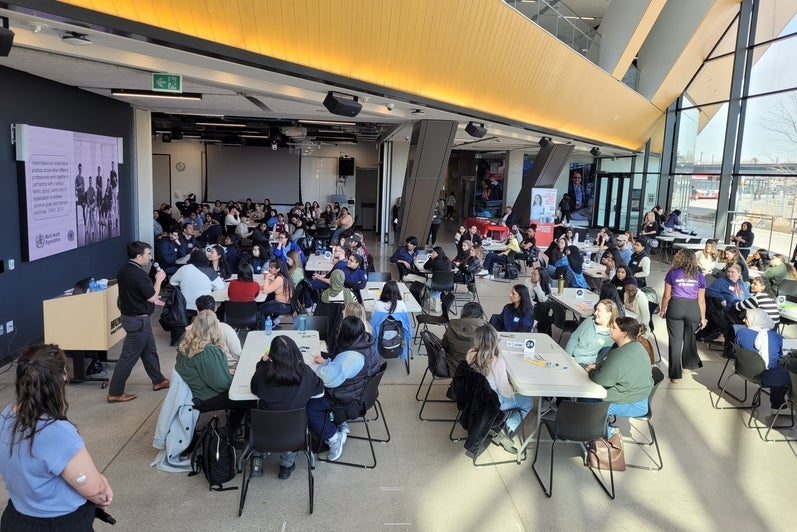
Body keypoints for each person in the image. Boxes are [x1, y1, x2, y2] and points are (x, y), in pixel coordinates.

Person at [0, 344, 114, 530]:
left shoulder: (6, 416)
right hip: (58, 524)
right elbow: (94, 489)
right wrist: (103, 489)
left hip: (15, 519)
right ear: (62, 378)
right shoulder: (58, 432)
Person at [250, 335, 326, 478]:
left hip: (264, 431)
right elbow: (319, 388)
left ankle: (257, 460)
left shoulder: (263, 374)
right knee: (292, 425)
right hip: (294, 432)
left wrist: (262, 363)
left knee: (260, 416)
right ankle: (286, 466)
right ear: (295, 352)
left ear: (272, 355)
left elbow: (254, 389)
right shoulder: (305, 373)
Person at [175, 310, 256, 434]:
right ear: (215, 327)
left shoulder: (186, 345)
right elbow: (222, 384)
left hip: (189, 394)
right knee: (249, 398)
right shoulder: (209, 350)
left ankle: (234, 426)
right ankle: (234, 431)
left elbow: (202, 369)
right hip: (204, 397)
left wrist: (225, 371)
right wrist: (235, 378)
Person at [312, 316, 381, 461]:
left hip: (348, 400)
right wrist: (328, 361)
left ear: (344, 333)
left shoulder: (351, 356)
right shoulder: (366, 343)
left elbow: (327, 379)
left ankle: (333, 438)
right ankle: (340, 422)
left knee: (310, 405)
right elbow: (345, 369)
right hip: (360, 392)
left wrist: (313, 370)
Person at [109, 241, 170, 403]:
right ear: (139, 256)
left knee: (149, 351)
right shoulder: (138, 274)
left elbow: (135, 294)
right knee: (128, 358)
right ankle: (115, 392)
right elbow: (151, 296)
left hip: (137, 318)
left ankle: (158, 380)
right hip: (138, 321)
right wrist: (158, 280)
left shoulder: (124, 271)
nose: (150, 257)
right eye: (148, 254)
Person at [585, 317, 654, 437]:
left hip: (633, 403)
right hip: (640, 398)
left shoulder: (621, 354)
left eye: (614, 328)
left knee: (587, 403)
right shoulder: (637, 346)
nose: (611, 329)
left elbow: (601, 379)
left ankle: (609, 432)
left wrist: (592, 372)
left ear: (624, 333)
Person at [466, 324, 533, 445]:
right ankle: (506, 428)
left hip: (475, 398)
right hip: (494, 402)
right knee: (528, 401)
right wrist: (513, 388)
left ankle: (500, 424)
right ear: (494, 341)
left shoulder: (470, 354)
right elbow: (505, 392)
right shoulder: (497, 362)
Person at [660, 249, 707, 383]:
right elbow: (701, 300)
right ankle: (687, 366)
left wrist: (663, 310)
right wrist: (703, 318)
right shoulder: (700, 276)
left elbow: (666, 295)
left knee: (675, 342)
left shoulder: (672, 274)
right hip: (693, 308)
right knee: (689, 338)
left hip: (675, 307)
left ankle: (675, 375)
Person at [734, 309, 790, 413]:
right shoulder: (777, 338)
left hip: (744, 370)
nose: (743, 320)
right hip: (767, 376)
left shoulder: (741, 333)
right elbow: (790, 352)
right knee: (787, 367)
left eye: (746, 318)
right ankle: (778, 405)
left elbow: (735, 351)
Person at [169, 249, 226, 345]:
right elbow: (221, 286)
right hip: (203, 306)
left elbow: (172, 282)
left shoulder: (183, 269)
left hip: (184, 306)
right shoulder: (209, 271)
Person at [565, 299, 619, 366]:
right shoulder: (589, 321)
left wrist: (576, 360)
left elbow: (600, 358)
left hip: (585, 364)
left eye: (599, 310)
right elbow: (574, 338)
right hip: (569, 357)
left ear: (608, 314)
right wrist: (568, 356)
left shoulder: (611, 335)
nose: (595, 313)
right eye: (596, 310)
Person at [194, 295, 241, 368]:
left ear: (197, 311)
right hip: (228, 367)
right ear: (215, 308)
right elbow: (238, 354)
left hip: (202, 368)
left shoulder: (189, 331)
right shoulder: (226, 329)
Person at [442, 302, 487, 376]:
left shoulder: (452, 326)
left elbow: (444, 346)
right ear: (481, 314)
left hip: (454, 367)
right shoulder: (486, 329)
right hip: (478, 369)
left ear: (463, 312)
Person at [525, 267, 552, 335]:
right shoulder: (527, 282)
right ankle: (545, 336)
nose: (532, 276)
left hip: (541, 306)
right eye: (532, 273)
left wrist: (538, 286)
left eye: (535, 274)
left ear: (541, 277)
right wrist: (535, 304)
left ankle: (534, 322)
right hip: (531, 304)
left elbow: (542, 299)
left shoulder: (546, 284)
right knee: (545, 319)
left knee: (544, 305)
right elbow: (527, 297)